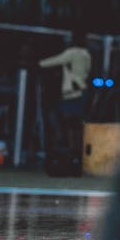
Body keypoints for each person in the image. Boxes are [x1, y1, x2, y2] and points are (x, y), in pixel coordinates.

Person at [39, 31, 92, 164]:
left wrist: (38, 63)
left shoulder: (72, 52)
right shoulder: (86, 54)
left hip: (71, 92)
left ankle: (71, 152)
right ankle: (77, 152)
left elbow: (54, 61)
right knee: (77, 124)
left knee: (69, 123)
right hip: (81, 89)